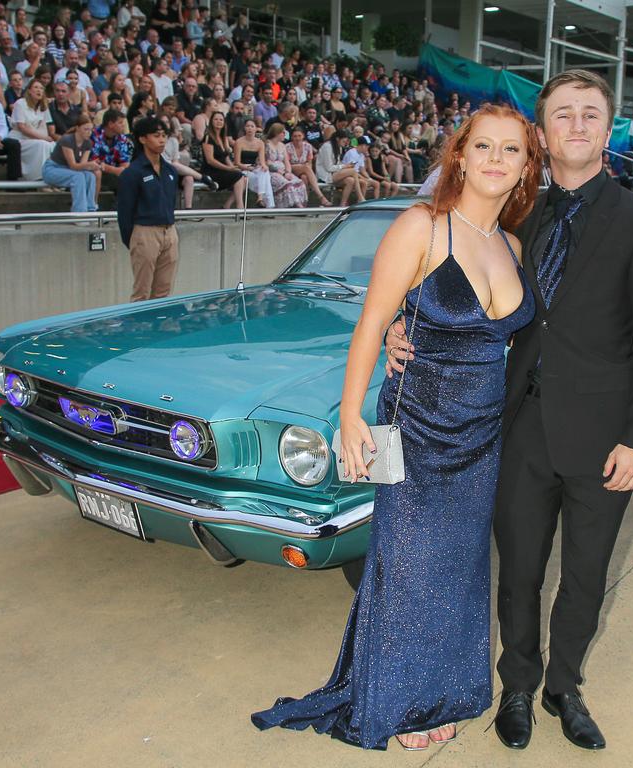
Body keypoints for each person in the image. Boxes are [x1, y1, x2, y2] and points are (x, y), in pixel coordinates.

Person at [386, 70, 633, 753]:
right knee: (516, 571)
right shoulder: (517, 215)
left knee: (584, 575)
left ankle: (563, 687)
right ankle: (517, 684)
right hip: (515, 430)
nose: (576, 125)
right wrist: (406, 326)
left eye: (590, 114)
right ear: (543, 136)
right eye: (562, 116)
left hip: (604, 441)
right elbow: (458, 286)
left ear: (608, 130)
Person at [251, 102, 541, 751]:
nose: (496, 160)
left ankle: (448, 688)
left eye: (511, 151)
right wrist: (351, 415)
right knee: (405, 560)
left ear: (526, 169)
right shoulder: (421, 227)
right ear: (460, 155)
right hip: (410, 421)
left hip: (482, 433)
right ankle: (404, 699)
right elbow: (369, 323)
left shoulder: (511, 244)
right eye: (484, 147)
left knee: (461, 564)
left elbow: (513, 342)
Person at [117, 116, 179, 301]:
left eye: (163, 135)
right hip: (145, 231)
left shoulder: (170, 171)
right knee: (141, 292)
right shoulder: (133, 173)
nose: (161, 140)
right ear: (143, 138)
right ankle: (138, 329)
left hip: (169, 230)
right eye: (156, 135)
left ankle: (159, 329)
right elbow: (124, 212)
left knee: (163, 292)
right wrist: (134, 240)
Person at [41, 113, 99, 212]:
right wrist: (89, 164)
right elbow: (73, 165)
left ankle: (90, 209)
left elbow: (82, 165)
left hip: (69, 170)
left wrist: (93, 166)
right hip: (53, 169)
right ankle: (79, 212)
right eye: (86, 129)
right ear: (77, 128)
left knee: (90, 176)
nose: (89, 133)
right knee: (78, 177)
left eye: (91, 130)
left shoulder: (88, 143)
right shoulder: (67, 140)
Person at [7, 77, 54, 179]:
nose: (39, 90)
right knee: (42, 144)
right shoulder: (20, 103)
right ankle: (38, 178)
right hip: (19, 138)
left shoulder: (43, 106)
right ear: (29, 90)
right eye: (36, 87)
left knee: (52, 146)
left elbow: (44, 127)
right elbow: (22, 127)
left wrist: (46, 138)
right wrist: (44, 138)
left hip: (35, 138)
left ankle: (51, 178)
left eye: (41, 88)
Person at [200, 109, 246, 208]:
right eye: (216, 119)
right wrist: (228, 169)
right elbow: (210, 160)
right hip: (211, 171)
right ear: (211, 121)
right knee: (238, 176)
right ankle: (240, 207)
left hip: (222, 170)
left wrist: (233, 167)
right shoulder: (208, 137)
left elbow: (225, 157)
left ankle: (227, 205)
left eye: (221, 120)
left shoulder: (222, 137)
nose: (218, 121)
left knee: (244, 178)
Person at [262, 121, 306, 208]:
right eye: (283, 133)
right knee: (286, 184)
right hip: (272, 172)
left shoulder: (282, 145)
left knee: (298, 182)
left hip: (284, 171)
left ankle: (299, 204)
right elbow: (267, 162)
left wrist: (288, 172)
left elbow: (286, 162)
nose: (284, 135)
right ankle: (297, 206)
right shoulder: (266, 144)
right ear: (277, 133)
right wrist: (282, 173)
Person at [285, 126, 330, 206]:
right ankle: (321, 196)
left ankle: (304, 203)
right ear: (292, 137)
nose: (297, 138)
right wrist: (303, 166)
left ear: (303, 136)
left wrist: (305, 167)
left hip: (304, 170)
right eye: (295, 136)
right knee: (305, 168)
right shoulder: (287, 147)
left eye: (299, 136)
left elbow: (309, 162)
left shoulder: (308, 146)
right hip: (291, 169)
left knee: (304, 177)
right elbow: (287, 163)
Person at [315, 128, 361, 206]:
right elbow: (329, 168)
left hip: (334, 173)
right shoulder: (327, 147)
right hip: (325, 175)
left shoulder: (338, 147)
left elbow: (337, 163)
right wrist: (345, 166)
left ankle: (342, 204)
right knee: (353, 170)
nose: (345, 143)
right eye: (344, 141)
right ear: (337, 139)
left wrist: (346, 166)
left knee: (350, 180)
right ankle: (360, 197)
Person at [90, 107, 131, 192]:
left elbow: (125, 162)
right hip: (96, 172)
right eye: (120, 123)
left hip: (115, 173)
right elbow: (94, 161)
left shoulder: (122, 138)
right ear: (111, 124)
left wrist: (121, 170)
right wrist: (114, 170)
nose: (123, 125)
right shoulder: (94, 136)